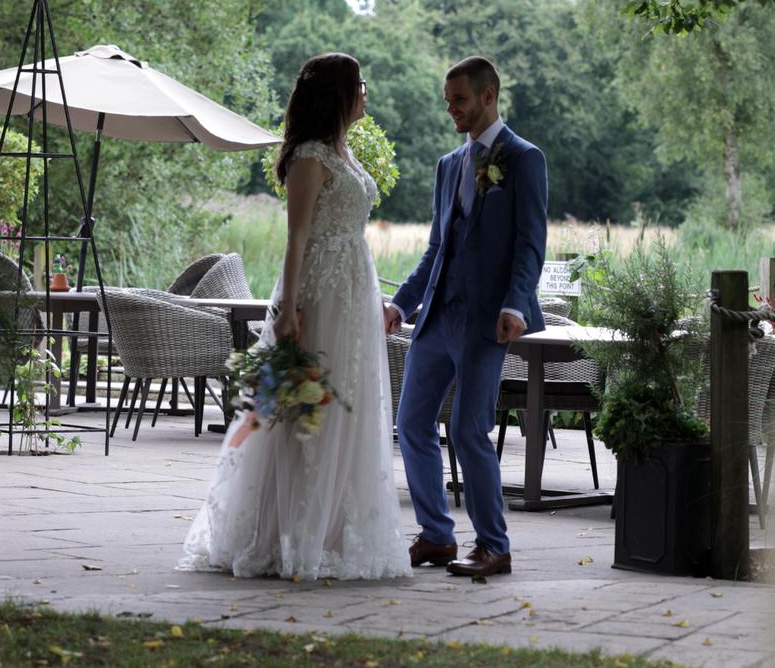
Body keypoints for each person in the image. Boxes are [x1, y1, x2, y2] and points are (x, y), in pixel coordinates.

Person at [180, 53, 410, 581]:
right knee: (307, 409)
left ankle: (337, 531)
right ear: (337, 94)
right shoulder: (309, 155)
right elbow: (297, 236)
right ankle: (288, 534)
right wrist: (287, 310)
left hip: (353, 291)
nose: (366, 92)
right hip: (319, 295)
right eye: (359, 84)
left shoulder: (343, 152)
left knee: (348, 407)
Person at [384, 56, 547, 578]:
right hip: (437, 316)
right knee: (411, 423)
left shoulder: (524, 158)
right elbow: (437, 248)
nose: (451, 109)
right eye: (447, 100)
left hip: (486, 321)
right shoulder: (447, 165)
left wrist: (515, 304)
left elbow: (530, 243)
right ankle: (436, 535)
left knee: (468, 429)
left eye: (459, 99)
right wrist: (400, 304)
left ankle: (494, 546)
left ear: (488, 96)